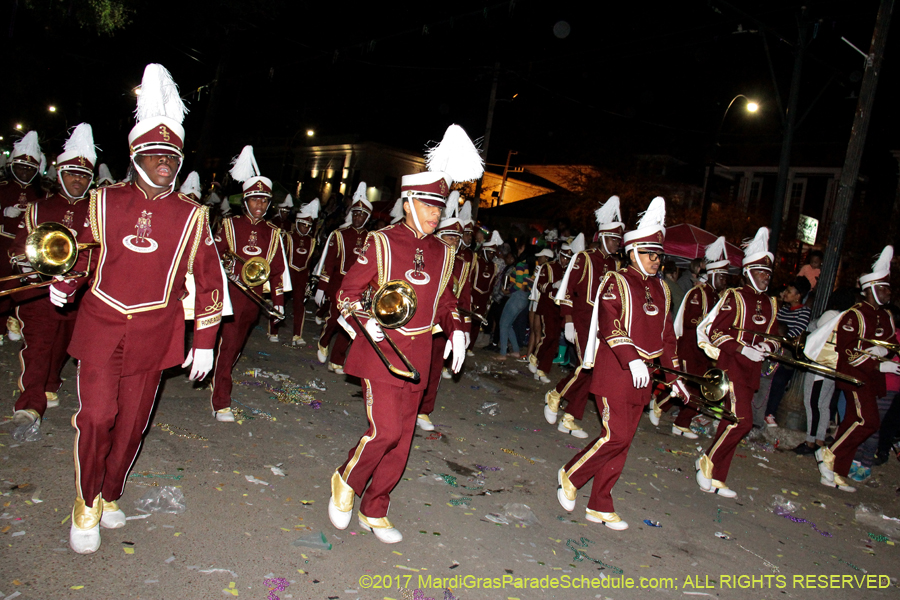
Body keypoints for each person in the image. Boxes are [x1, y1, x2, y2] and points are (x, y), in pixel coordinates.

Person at [48, 64, 226, 554]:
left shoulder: (193, 216)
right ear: (136, 155)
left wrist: (205, 342)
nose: (165, 160)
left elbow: (209, 281)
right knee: (96, 417)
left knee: (130, 428)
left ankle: (110, 492)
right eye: (156, 152)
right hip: (101, 328)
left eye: (173, 154)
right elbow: (83, 255)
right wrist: (66, 281)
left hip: (155, 334)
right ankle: (85, 503)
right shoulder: (103, 202)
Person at [327, 125, 478, 544]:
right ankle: (346, 479)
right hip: (381, 351)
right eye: (428, 204)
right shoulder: (380, 242)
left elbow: (446, 300)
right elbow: (347, 294)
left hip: (421, 355)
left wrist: (457, 331)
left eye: (440, 206)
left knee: (404, 439)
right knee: (386, 431)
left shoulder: (444, 252)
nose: (435, 214)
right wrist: (367, 323)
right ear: (408, 203)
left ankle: (376, 507)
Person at [556, 197, 686, 530]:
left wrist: (675, 377)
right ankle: (571, 474)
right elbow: (610, 324)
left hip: (644, 376)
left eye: (659, 255)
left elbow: (667, 336)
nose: (656, 261)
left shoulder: (662, 289)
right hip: (616, 372)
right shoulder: (617, 280)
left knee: (624, 441)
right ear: (633, 251)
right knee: (614, 436)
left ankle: (600, 504)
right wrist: (632, 359)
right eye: (650, 254)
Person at [9, 124, 97, 438]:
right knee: (38, 346)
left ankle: (49, 382)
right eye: (72, 173)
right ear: (60, 174)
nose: (78, 180)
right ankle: (29, 405)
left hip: (80, 295)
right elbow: (18, 247)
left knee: (63, 346)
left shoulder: (99, 212)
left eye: (84, 175)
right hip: (40, 290)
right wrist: (29, 266)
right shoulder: (38, 209)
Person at [805, 246, 898, 492]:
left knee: (850, 423)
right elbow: (846, 351)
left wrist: (884, 353)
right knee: (868, 421)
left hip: (872, 378)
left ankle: (835, 472)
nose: (888, 292)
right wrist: (878, 362)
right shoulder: (854, 315)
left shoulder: (885, 316)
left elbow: (891, 344)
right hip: (854, 376)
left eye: (888, 288)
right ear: (870, 289)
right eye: (883, 288)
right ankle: (828, 453)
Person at [695, 227, 778, 498]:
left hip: (751, 372)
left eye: (768, 273)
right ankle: (707, 460)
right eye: (761, 272)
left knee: (729, 422)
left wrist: (767, 346)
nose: (766, 277)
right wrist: (743, 349)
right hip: (732, 368)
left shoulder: (771, 303)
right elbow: (716, 332)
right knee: (742, 422)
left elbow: (775, 336)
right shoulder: (735, 296)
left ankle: (718, 477)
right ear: (749, 271)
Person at [210, 145, 289, 422]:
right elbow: (212, 258)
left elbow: (277, 271)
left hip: (254, 300)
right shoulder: (230, 225)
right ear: (245, 201)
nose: (260, 205)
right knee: (228, 345)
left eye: (264, 201)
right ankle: (221, 400)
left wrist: (278, 304)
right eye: (255, 199)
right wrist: (224, 268)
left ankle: (218, 376)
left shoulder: (273, 233)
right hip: (230, 296)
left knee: (235, 347)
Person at [545, 196, 624, 438]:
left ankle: (569, 417)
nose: (617, 244)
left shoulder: (616, 266)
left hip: (601, 325)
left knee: (594, 371)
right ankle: (556, 394)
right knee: (585, 366)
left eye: (619, 240)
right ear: (603, 237)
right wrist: (568, 320)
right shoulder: (584, 258)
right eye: (613, 239)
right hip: (581, 320)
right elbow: (568, 290)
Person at [651, 236, 730, 438]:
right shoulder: (699, 294)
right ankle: (661, 405)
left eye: (725, 277)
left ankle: (679, 421)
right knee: (689, 386)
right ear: (712, 275)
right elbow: (689, 322)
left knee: (699, 388)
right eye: (721, 277)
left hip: (704, 352)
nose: (724, 281)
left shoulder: (717, 297)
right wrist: (708, 326)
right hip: (690, 348)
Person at [417, 194, 473, 431]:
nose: (454, 242)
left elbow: (464, 299)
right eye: (449, 236)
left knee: (435, 368)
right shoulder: (425, 256)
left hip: (446, 324)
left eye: (457, 238)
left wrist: (464, 329)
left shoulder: (462, 264)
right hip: (420, 320)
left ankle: (424, 410)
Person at [313, 183, 371, 373]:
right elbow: (329, 263)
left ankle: (337, 360)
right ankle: (323, 342)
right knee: (333, 320)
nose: (358, 217)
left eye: (362, 215)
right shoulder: (339, 234)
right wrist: (321, 288)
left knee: (350, 324)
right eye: (355, 213)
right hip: (338, 284)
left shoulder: (372, 238)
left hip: (360, 288)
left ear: (367, 217)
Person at [1, 131, 45, 342]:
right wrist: (3, 212)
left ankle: (16, 323)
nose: (25, 172)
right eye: (21, 167)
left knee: (21, 288)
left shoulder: (42, 193)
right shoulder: (2, 188)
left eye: (30, 168)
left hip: (26, 247)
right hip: (2, 244)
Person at [762, 277, 812, 427]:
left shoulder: (804, 312)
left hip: (787, 354)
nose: (785, 293)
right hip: (775, 349)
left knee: (779, 380)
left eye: (789, 291)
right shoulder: (783, 310)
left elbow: (795, 333)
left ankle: (770, 413)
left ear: (798, 296)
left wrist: (780, 337)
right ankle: (761, 411)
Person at [280, 199, 319, 346]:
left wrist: (309, 280)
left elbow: (309, 263)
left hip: (301, 277)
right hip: (287, 275)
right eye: (303, 225)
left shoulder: (311, 241)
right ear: (297, 223)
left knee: (299, 305)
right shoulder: (288, 237)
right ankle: (273, 331)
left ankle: (297, 334)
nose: (305, 228)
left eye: (308, 226)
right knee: (280, 302)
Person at [528, 248, 565, 383]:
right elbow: (540, 286)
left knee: (554, 340)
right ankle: (534, 357)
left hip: (560, 308)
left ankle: (542, 370)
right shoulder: (549, 267)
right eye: (564, 257)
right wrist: (553, 285)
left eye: (568, 258)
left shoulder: (569, 270)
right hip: (548, 306)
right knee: (548, 335)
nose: (565, 261)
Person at [494, 248, 532, 360]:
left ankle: (503, 353)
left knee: (503, 324)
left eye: (521, 249)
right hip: (524, 297)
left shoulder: (520, 265)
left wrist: (508, 291)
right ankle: (516, 351)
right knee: (508, 324)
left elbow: (519, 284)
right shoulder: (528, 266)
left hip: (517, 297)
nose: (519, 250)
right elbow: (527, 284)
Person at [467, 230, 503, 348]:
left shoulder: (494, 266)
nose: (492, 255)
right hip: (473, 296)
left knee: (477, 322)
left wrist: (489, 299)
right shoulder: (476, 262)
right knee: (468, 321)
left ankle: (471, 347)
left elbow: (492, 284)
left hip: (484, 298)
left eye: (493, 253)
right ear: (484, 251)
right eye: (490, 252)